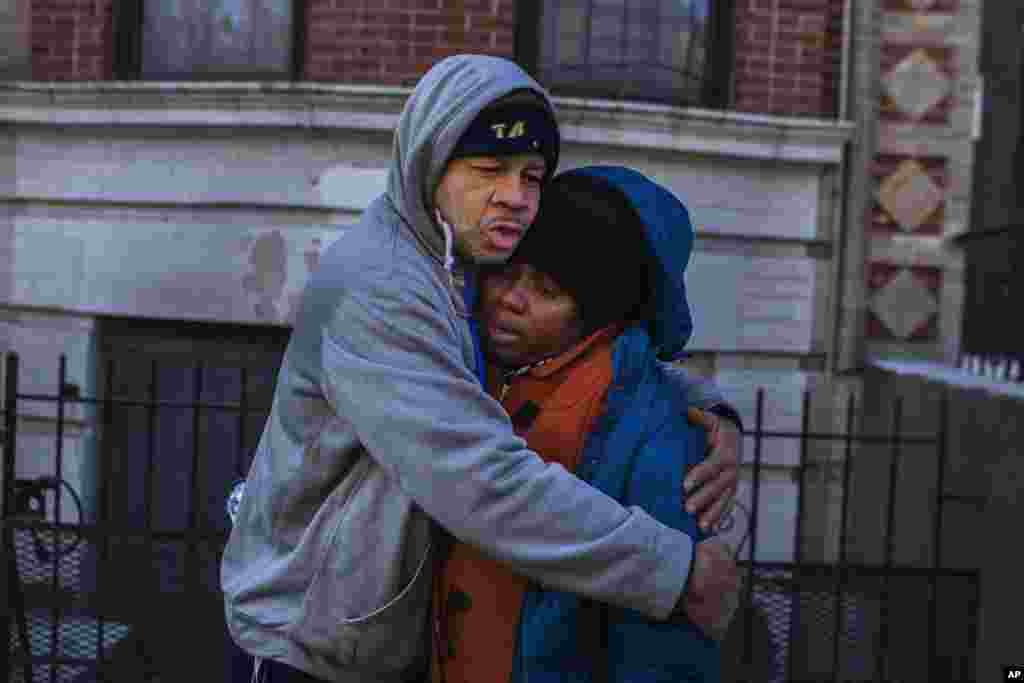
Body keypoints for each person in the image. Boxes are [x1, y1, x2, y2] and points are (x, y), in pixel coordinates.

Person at [221, 54, 741, 683]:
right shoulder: (380, 287)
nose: (515, 198)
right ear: (430, 160)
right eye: (489, 169)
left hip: (377, 642)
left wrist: (709, 410)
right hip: (305, 645)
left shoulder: (456, 260)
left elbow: (582, 346)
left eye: (532, 175)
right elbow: (482, 480)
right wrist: (675, 572)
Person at [432, 166, 737, 683]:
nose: (511, 300)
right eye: (507, 272)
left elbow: (663, 651)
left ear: (595, 311)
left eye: (547, 289)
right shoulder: (456, 364)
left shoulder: (658, 431)